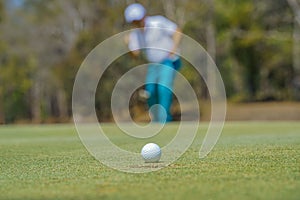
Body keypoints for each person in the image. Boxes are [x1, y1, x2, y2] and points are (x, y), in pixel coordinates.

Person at [124, 3, 182, 123]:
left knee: (163, 88)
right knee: (150, 92)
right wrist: (127, 45)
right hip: (153, 65)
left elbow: (177, 31)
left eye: (138, 19)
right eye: (133, 21)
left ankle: (164, 121)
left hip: (168, 61)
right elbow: (135, 54)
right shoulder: (135, 34)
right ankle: (156, 120)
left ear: (144, 16)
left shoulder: (158, 22)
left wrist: (173, 48)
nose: (137, 23)